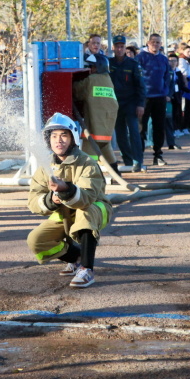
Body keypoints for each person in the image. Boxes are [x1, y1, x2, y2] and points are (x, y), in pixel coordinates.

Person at [26, 113, 113, 289]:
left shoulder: (86, 162)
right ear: (48, 140)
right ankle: (76, 258)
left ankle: (87, 269)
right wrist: (51, 199)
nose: (59, 140)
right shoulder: (46, 166)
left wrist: (66, 189)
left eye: (64, 135)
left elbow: (87, 198)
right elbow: (33, 200)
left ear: (73, 138)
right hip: (65, 212)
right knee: (36, 240)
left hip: (95, 209)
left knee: (85, 214)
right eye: (54, 136)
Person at [74, 53, 120, 172]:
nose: (89, 69)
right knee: (106, 149)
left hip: (93, 128)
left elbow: (77, 91)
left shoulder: (91, 79)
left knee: (88, 155)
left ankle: (90, 178)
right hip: (107, 126)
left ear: (96, 67)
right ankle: (116, 173)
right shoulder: (108, 79)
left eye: (91, 67)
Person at [110, 35, 146, 173]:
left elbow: (141, 86)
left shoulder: (133, 64)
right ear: (113, 48)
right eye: (117, 46)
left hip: (131, 103)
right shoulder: (109, 63)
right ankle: (128, 160)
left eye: (122, 46)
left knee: (134, 132)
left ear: (125, 48)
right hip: (115, 104)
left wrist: (140, 104)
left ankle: (138, 161)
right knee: (120, 134)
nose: (119, 49)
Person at [136, 33, 172, 166]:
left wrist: (166, 91)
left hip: (160, 97)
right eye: (153, 42)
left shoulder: (163, 59)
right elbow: (137, 77)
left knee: (159, 127)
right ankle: (139, 157)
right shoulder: (140, 57)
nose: (155, 44)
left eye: (158, 42)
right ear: (148, 43)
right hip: (144, 98)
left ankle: (158, 155)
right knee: (141, 128)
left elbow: (168, 77)